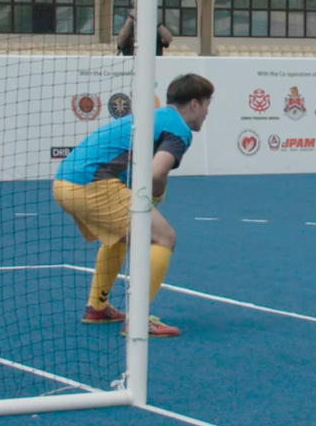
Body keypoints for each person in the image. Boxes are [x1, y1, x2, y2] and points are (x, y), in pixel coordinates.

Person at [53, 74, 214, 339]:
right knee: (164, 236)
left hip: (64, 182)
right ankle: (138, 320)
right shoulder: (178, 129)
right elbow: (155, 173)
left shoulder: (155, 117)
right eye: (207, 105)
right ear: (195, 104)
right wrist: (155, 194)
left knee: (119, 236)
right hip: (92, 184)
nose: (207, 113)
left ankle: (97, 307)